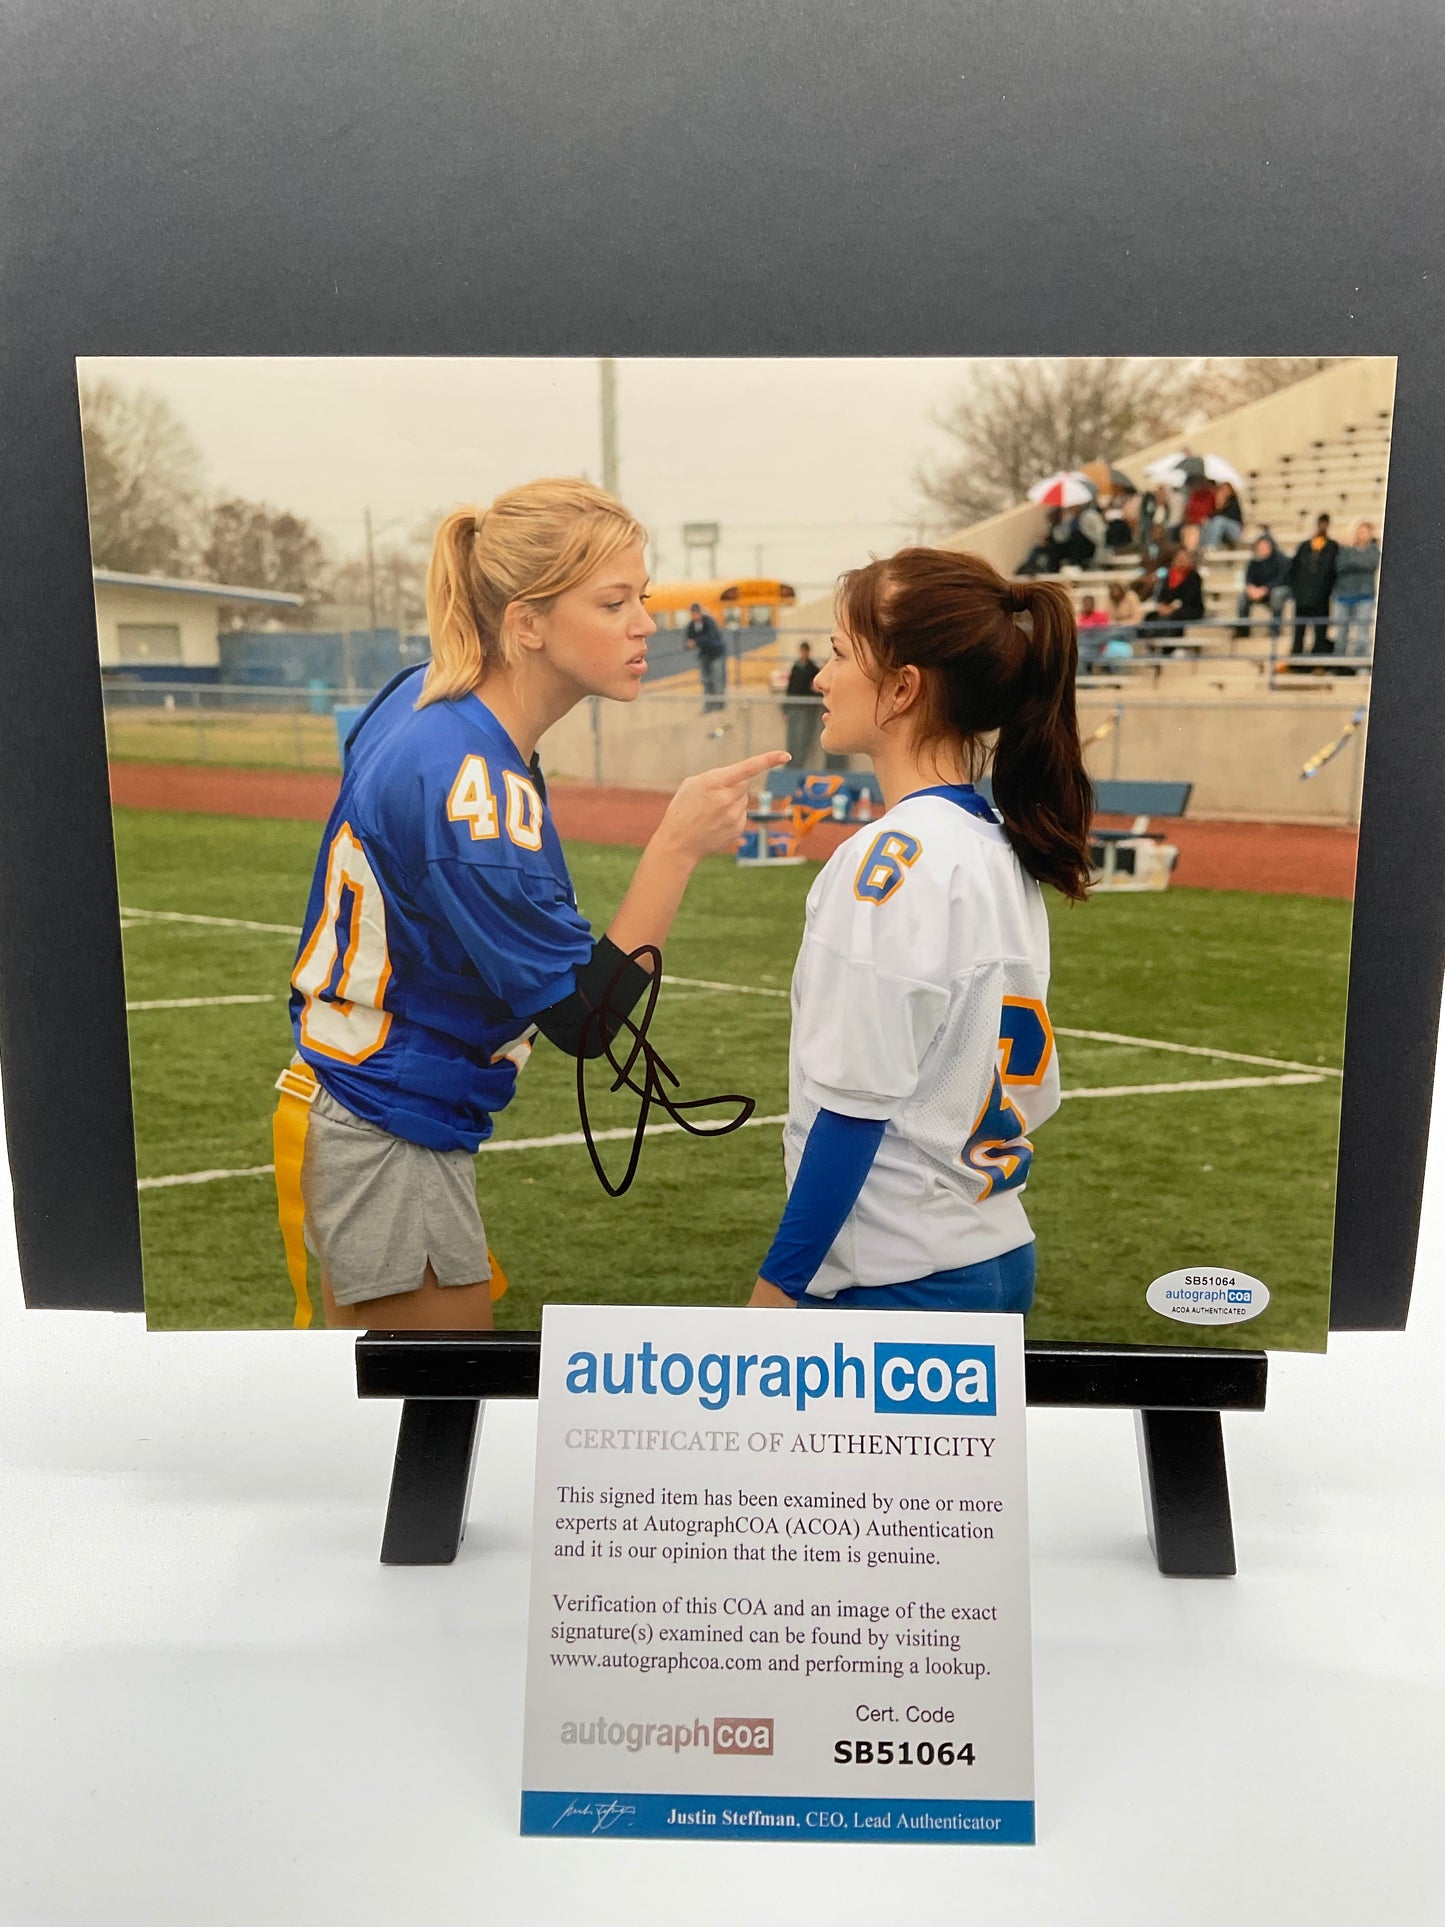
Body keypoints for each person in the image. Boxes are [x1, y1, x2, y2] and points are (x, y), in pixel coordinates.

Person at [277, 479, 787, 1331]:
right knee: (436, 1405)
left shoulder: (423, 695)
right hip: (390, 1120)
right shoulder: (471, 780)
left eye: (643, 597)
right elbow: (583, 1021)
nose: (644, 624)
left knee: (387, 1400)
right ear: (526, 623)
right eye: (613, 602)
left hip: (360, 1096)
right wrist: (676, 845)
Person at [745, 546, 1091, 1313]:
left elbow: (852, 1106)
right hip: (993, 1250)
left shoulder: (888, 860)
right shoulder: (998, 843)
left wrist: (777, 1289)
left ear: (902, 688)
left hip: (896, 1272)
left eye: (839, 653)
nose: (820, 678)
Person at [1286, 513, 1340, 658]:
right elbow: (1293, 569)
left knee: (1320, 631)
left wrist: (1327, 590)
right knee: (1299, 631)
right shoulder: (1305, 546)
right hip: (1302, 595)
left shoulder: (1332, 547)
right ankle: (1297, 658)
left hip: (1321, 596)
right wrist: (1296, 590)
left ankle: (1319, 658)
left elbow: (1334, 572)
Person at [1332, 521, 1381, 657]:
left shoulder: (1374, 551)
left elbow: (1370, 564)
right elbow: (1340, 565)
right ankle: (1339, 662)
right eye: (1359, 531)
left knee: (1362, 634)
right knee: (1341, 633)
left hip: (1364, 596)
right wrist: (1357, 561)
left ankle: (1360, 663)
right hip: (1343, 595)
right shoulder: (1345, 550)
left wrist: (1352, 561)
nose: (1361, 534)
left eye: (1364, 532)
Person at [1142, 547, 1205, 644]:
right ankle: (1150, 641)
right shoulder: (1168, 576)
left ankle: (1167, 645)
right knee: (1151, 617)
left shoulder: (1194, 576)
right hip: (1168, 608)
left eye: (1184, 558)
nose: (1181, 560)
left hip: (1189, 608)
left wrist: (1172, 607)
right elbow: (1162, 595)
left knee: (1172, 618)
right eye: (1179, 558)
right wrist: (1162, 606)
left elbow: (1190, 597)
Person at [1234, 533, 1290, 641]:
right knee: (1243, 597)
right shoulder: (1254, 562)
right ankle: (1243, 629)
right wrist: (1250, 587)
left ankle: (1275, 629)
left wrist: (1265, 589)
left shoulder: (1281, 560)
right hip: (1258, 591)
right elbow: (1248, 578)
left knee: (1277, 594)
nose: (1262, 549)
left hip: (1276, 590)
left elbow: (1282, 579)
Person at [782, 639, 824, 768]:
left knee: (805, 738)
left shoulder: (812, 669)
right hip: (795, 707)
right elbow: (791, 688)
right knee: (793, 737)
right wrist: (786, 708)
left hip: (808, 710)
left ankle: (800, 763)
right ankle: (791, 763)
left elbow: (816, 688)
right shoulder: (796, 668)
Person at [684, 600, 728, 711]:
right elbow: (687, 640)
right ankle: (709, 704)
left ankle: (719, 703)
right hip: (704, 656)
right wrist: (689, 643)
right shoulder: (691, 625)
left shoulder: (709, 622)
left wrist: (696, 642)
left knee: (717, 678)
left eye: (696, 612)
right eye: (693, 613)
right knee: (706, 680)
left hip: (716, 654)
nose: (695, 615)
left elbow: (711, 638)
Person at [1202, 482, 1245, 549]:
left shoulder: (1233, 501)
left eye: (1226, 489)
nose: (1224, 491)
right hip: (1222, 529)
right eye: (1222, 489)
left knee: (1219, 520)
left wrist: (1221, 505)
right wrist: (1217, 505)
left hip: (1235, 529)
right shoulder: (1215, 500)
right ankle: (1205, 546)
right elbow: (1211, 515)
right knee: (1207, 523)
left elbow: (1227, 516)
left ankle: (1212, 546)